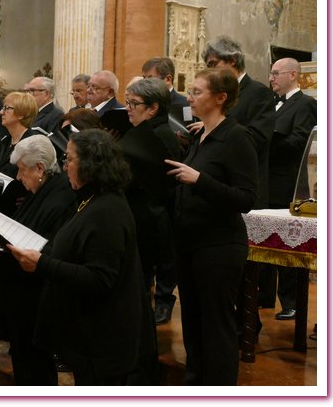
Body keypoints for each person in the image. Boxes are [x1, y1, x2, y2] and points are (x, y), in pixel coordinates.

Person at [9, 129, 156, 386]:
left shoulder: (107, 210)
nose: (65, 167)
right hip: (88, 334)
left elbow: (100, 278)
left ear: (91, 164)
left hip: (105, 338)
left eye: (70, 159)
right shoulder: (91, 199)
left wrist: (42, 264)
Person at [165, 68, 258, 385]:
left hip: (218, 246)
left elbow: (245, 198)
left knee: (216, 323)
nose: (189, 97)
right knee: (192, 320)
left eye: (196, 92)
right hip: (189, 242)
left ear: (220, 98)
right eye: (190, 91)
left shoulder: (236, 137)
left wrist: (200, 180)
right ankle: (196, 384)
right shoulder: (198, 135)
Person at [0, 135, 77, 385]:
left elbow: (46, 248)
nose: (18, 177)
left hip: (36, 297)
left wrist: (0, 254)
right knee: (24, 362)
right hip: (21, 294)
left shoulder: (60, 197)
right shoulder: (40, 192)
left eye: (22, 170)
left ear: (40, 168)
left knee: (36, 367)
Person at [122, 78, 183, 326]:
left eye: (134, 103)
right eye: (128, 102)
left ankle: (163, 301)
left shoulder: (159, 135)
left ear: (153, 108)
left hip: (157, 211)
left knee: (161, 261)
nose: (128, 108)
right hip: (140, 209)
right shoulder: (141, 132)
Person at [264, 57, 317, 321]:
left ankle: (291, 301)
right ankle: (263, 296)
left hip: (287, 181)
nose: (271, 78)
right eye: (271, 73)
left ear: (293, 75)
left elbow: (300, 139)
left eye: (276, 73)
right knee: (265, 241)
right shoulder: (271, 103)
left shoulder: (305, 103)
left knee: (288, 242)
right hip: (266, 180)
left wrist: (268, 142)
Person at [199, 35, 275, 209]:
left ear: (232, 60)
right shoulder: (217, 94)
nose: (210, 70)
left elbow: (259, 138)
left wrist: (217, 127)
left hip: (244, 185)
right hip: (216, 185)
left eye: (213, 64)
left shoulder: (259, 93)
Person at [142, 57, 191, 126]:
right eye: (144, 78)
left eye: (151, 78)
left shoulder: (186, 105)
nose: (145, 83)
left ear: (167, 79)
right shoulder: (144, 103)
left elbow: (189, 130)